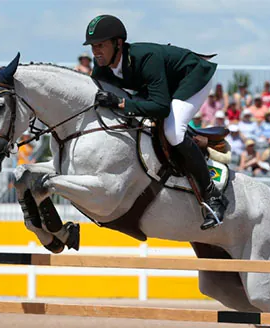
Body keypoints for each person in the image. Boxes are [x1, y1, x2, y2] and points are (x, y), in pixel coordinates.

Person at [83, 14, 227, 230]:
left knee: (173, 132)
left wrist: (122, 104)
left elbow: (159, 106)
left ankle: (213, 196)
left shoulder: (145, 58)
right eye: (93, 46)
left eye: (100, 45)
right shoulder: (101, 65)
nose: (96, 52)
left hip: (192, 77)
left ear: (118, 43)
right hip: (162, 86)